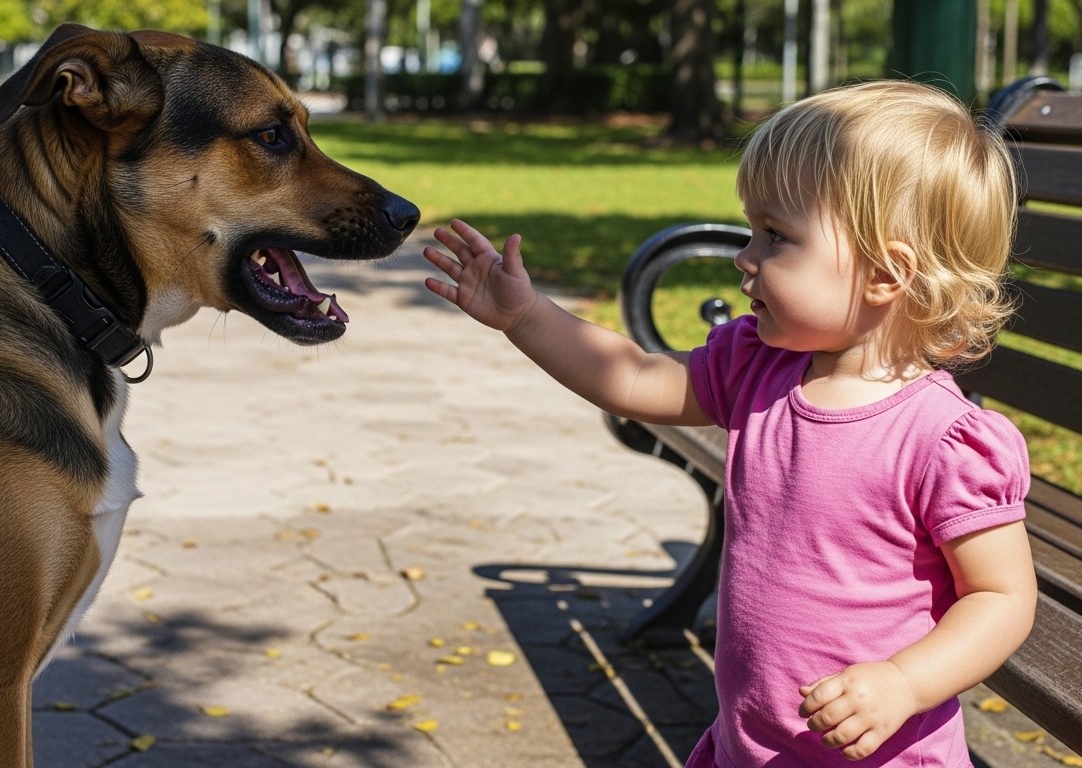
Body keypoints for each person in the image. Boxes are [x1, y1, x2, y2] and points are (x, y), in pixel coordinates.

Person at [421, 80, 1037, 767]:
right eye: (751, 230)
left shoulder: (942, 441)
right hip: (751, 743)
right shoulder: (759, 368)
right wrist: (527, 318)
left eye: (776, 236)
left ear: (885, 274)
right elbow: (633, 378)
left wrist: (904, 681)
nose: (745, 256)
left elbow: (1001, 597)